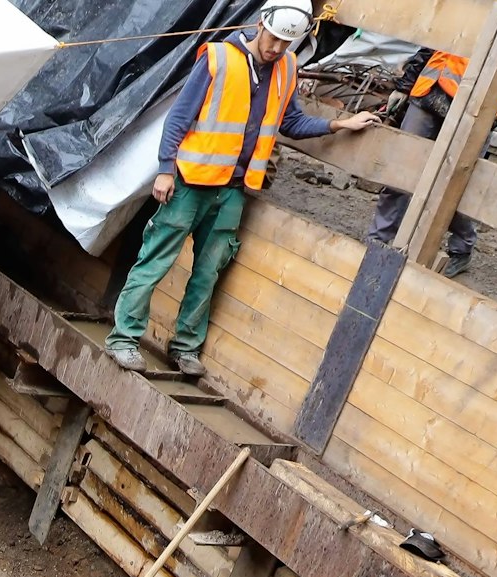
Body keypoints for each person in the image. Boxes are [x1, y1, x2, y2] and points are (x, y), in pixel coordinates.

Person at [105, 3, 379, 377]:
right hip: (191, 181)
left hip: (233, 190)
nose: (277, 49)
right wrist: (166, 170)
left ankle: (185, 348)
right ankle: (124, 339)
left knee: (208, 272)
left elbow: (292, 122)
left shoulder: (286, 69)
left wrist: (340, 125)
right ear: (260, 25)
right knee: (155, 260)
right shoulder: (218, 59)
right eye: (274, 39)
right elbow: (179, 117)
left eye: (287, 43)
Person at [368, 0, 497, 278]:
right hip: (430, 90)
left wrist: (493, 97)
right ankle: (378, 241)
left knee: (459, 182)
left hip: (477, 106)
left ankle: (461, 248)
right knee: (401, 167)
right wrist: (406, 85)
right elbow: (439, 32)